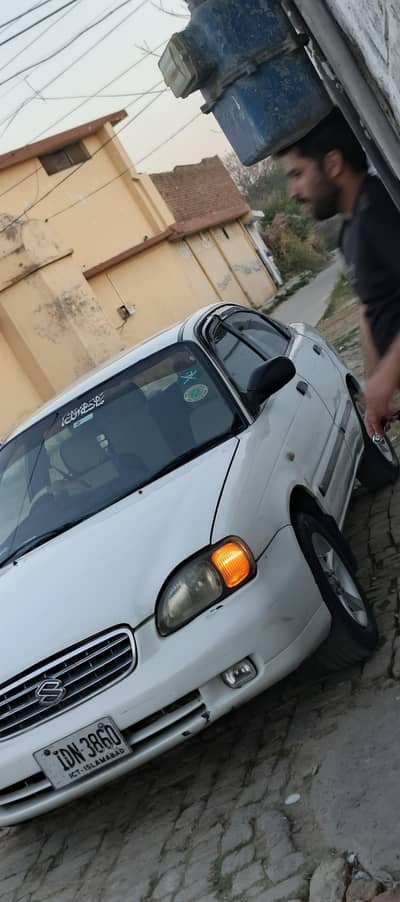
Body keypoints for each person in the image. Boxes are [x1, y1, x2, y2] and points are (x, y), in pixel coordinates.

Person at [276, 108, 400, 436]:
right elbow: (367, 310)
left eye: (297, 174)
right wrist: (374, 386)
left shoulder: (380, 209)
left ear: (332, 164)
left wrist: (387, 377)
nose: (293, 192)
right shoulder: (350, 232)